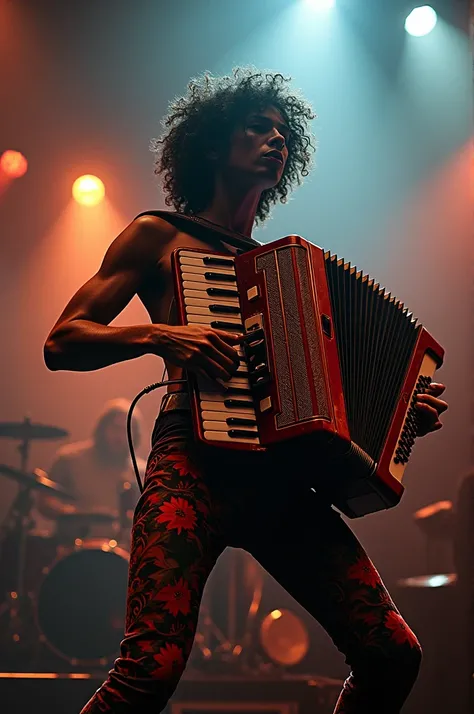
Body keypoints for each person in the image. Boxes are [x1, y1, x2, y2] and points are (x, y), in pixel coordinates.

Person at [44, 69, 448, 714]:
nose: (275, 141)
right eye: (257, 126)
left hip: (279, 479)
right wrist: (161, 336)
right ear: (210, 145)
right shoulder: (158, 235)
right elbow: (63, 341)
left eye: (283, 133)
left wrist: (400, 419)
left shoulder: (284, 275)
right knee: (150, 667)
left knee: (392, 654)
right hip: (191, 464)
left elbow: (334, 406)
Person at [37, 398, 144, 541]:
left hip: (123, 556)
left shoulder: (142, 472)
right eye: (116, 428)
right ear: (102, 428)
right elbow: (45, 501)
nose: (120, 436)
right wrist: (73, 514)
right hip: (73, 550)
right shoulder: (70, 459)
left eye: (127, 430)